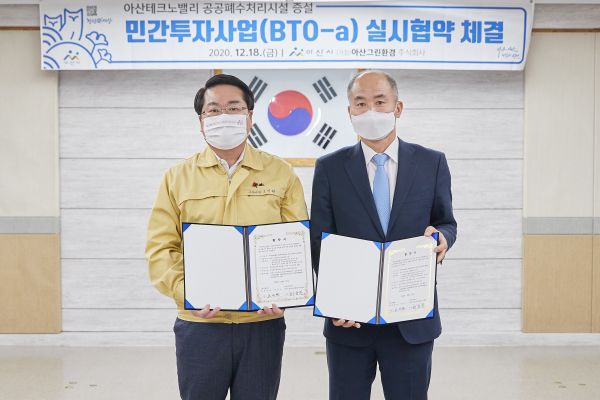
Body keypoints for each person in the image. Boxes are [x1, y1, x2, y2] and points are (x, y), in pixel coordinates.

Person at [145, 74, 308, 400]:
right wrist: (187, 294)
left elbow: (296, 244)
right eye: (214, 110)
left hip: (261, 323)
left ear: (249, 117)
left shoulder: (281, 173)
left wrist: (285, 294)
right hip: (200, 324)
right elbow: (161, 249)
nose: (224, 116)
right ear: (201, 121)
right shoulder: (177, 177)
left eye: (234, 108)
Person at [310, 70, 457, 400]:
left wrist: (443, 237)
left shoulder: (431, 162)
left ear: (397, 108)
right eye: (360, 103)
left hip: (411, 318)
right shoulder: (330, 168)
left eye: (380, 102)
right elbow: (320, 239)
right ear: (349, 111)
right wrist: (334, 301)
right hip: (349, 320)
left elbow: (446, 222)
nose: (370, 111)